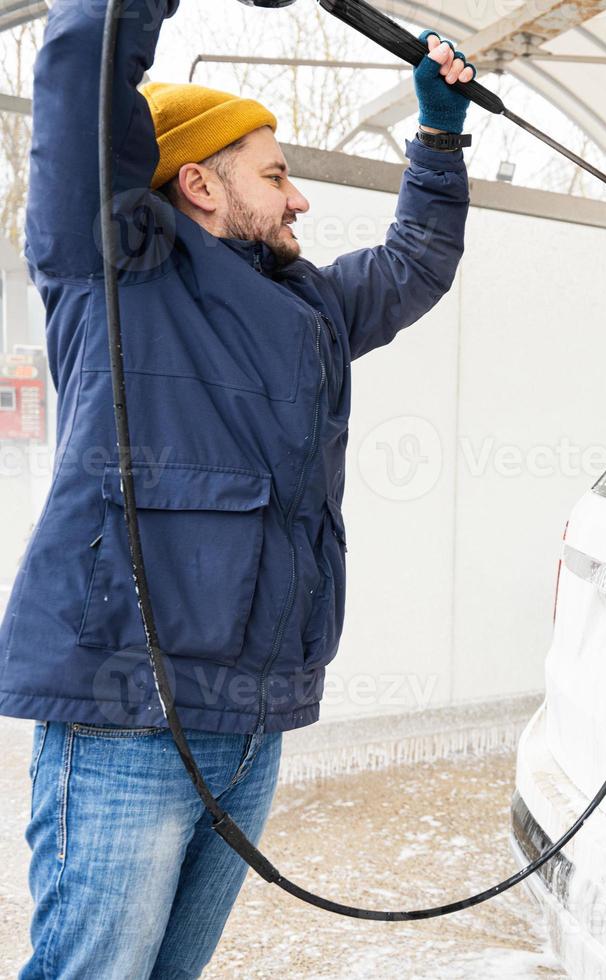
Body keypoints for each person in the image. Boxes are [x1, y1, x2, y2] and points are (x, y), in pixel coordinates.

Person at [2, 1, 477, 975]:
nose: (299, 199)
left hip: (255, 724)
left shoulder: (309, 305)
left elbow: (413, 263)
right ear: (200, 183)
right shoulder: (117, 269)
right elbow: (81, 80)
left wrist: (438, 136)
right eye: (276, 173)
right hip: (131, 716)